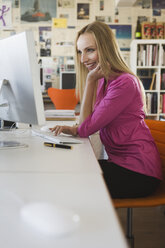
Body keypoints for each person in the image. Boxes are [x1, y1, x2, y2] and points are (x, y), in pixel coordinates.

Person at [51, 21, 162, 198]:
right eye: (80, 52)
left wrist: (89, 81)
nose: (83, 59)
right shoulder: (104, 80)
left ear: (105, 48)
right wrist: (75, 129)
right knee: (69, 171)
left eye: (89, 50)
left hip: (139, 172)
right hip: (121, 164)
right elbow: (88, 124)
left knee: (72, 181)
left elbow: (86, 129)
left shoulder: (124, 83)